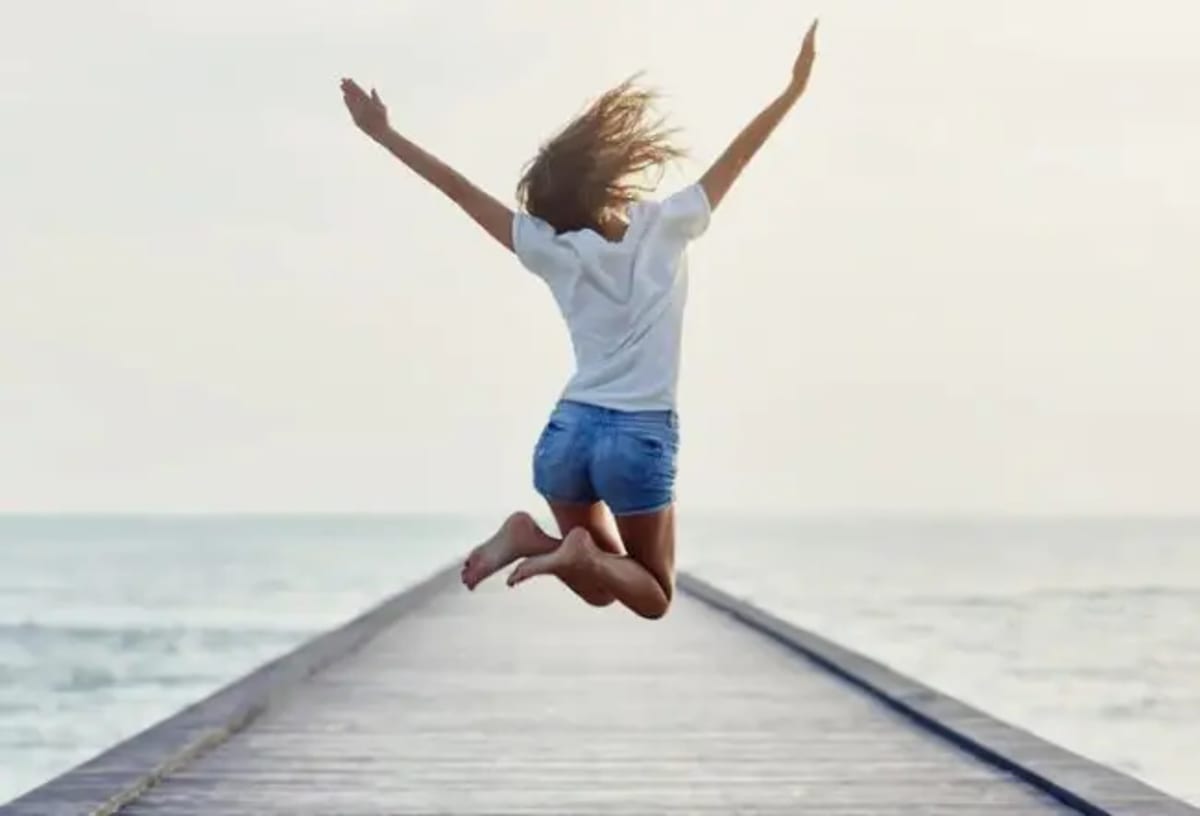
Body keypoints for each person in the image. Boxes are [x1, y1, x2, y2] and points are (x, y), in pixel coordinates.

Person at [340, 20, 818, 620]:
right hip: (638, 434)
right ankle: (567, 553)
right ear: (609, 177)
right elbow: (740, 155)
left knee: (599, 583)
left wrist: (385, 135)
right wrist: (792, 91)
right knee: (652, 595)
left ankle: (533, 539)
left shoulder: (553, 251)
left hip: (567, 434)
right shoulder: (667, 225)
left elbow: (460, 191)